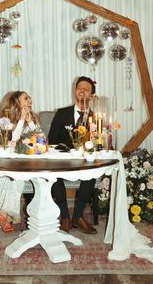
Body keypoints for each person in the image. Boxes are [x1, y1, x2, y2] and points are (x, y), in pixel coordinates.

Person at [0, 90, 39, 233]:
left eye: (30, 98)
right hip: (9, 162)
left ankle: (3, 215)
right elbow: (12, 140)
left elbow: (41, 139)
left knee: (16, 177)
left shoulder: (32, 118)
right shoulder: (5, 121)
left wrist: (29, 121)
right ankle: (5, 215)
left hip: (29, 163)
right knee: (13, 178)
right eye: (26, 98)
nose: (30, 100)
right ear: (17, 103)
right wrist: (21, 120)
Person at [48, 76, 97, 234]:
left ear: (92, 96)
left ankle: (78, 216)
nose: (82, 91)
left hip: (84, 161)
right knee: (53, 173)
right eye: (79, 88)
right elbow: (52, 141)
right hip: (62, 159)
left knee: (92, 171)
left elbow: (98, 144)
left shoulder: (96, 117)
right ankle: (64, 216)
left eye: (86, 89)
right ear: (75, 91)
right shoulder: (62, 114)